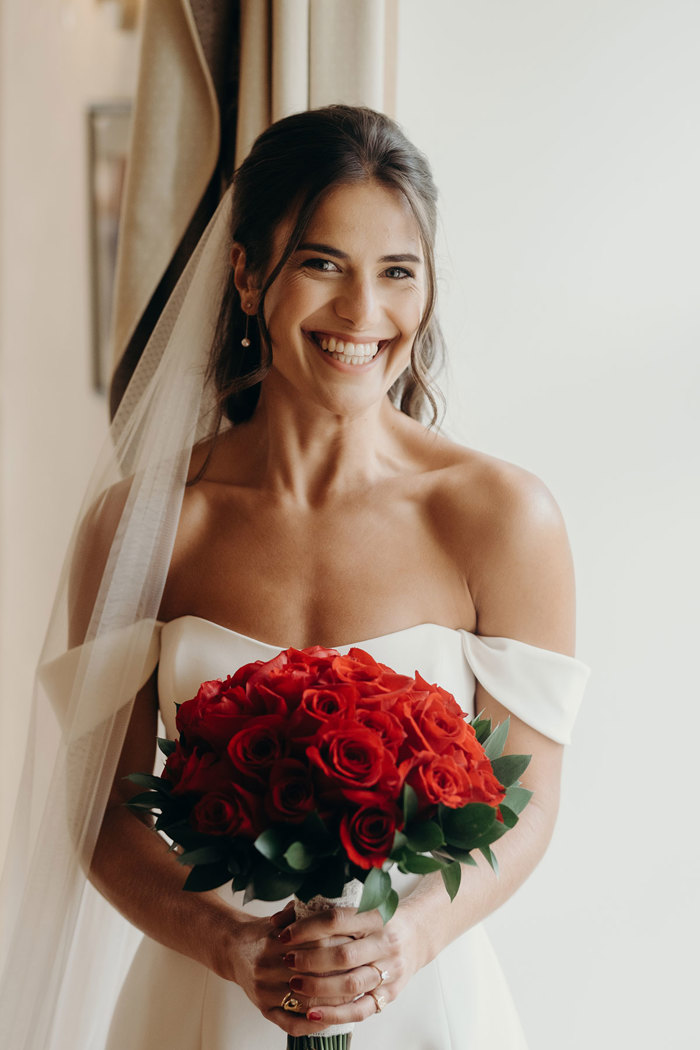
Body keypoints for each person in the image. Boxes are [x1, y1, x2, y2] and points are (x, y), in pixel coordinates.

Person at [0, 106, 589, 1050]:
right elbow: (102, 812)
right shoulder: (145, 526)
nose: (363, 314)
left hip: (422, 1005)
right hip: (201, 1001)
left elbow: (530, 804)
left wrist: (405, 940)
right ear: (246, 276)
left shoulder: (502, 519)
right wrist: (232, 946)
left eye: (398, 272)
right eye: (322, 264)